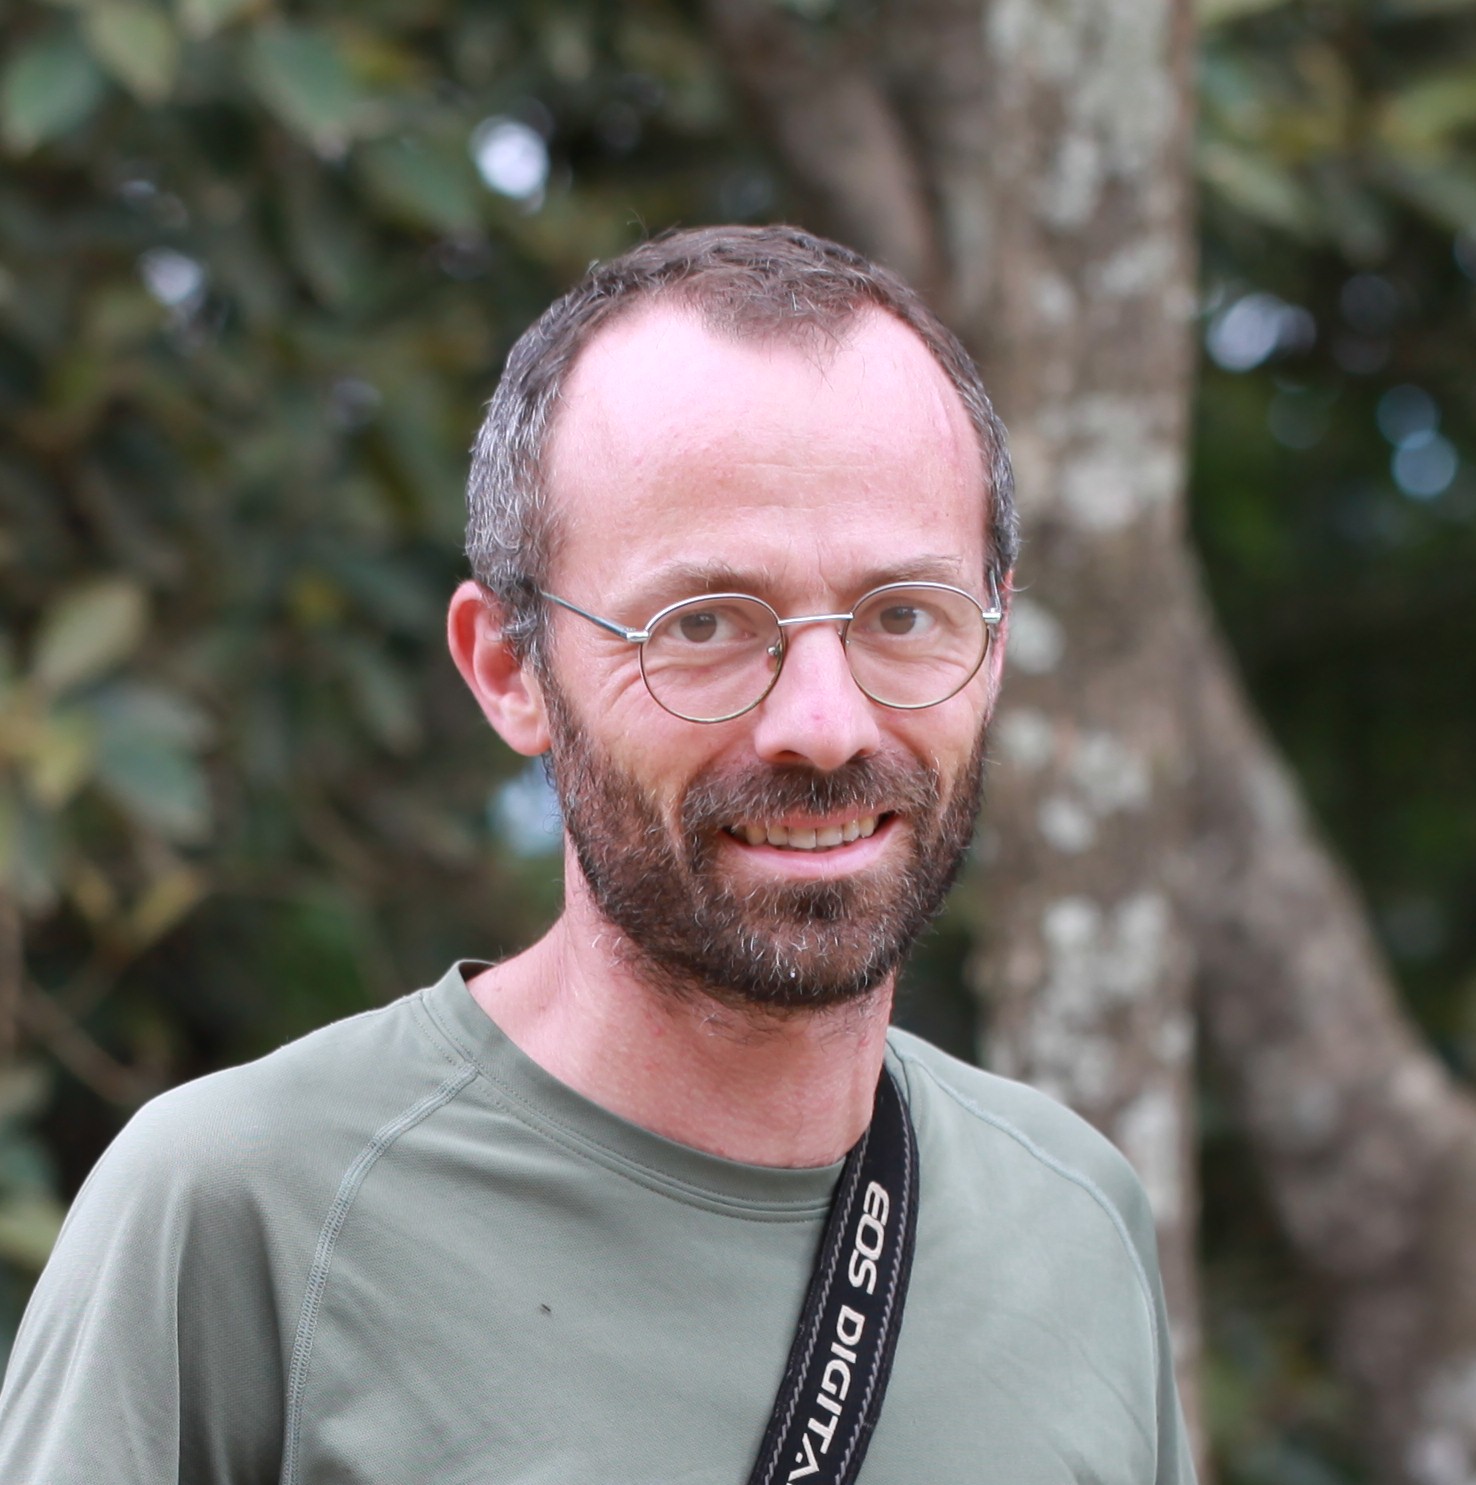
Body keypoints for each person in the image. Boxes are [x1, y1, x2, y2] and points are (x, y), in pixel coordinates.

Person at [0, 225, 1195, 1483]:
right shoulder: (243, 1210)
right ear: (509, 668)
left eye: (905, 614)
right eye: (706, 626)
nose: (826, 723)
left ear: (994, 643)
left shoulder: (1074, 1220)